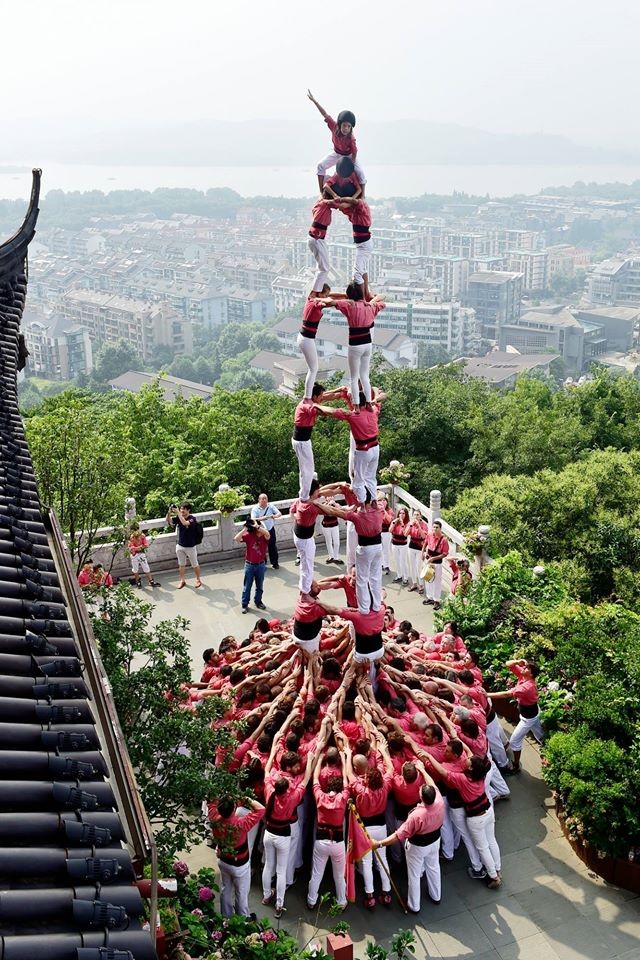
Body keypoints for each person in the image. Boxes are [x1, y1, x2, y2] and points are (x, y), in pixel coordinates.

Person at [373, 779, 445, 912]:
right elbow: (433, 784)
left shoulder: (416, 815)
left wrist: (379, 843)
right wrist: (423, 770)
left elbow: (399, 835)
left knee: (414, 874)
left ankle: (414, 905)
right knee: (434, 867)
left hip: (418, 846)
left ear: (421, 797)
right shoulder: (440, 801)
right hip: (435, 840)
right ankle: (436, 896)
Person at [262, 752, 314, 918]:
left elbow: (267, 770)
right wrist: (312, 761)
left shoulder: (270, 790)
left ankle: (266, 895)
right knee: (281, 870)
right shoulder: (292, 797)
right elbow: (305, 781)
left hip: (269, 833)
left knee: (268, 865)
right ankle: (279, 903)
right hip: (283, 835)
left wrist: (272, 755)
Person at [315, 389, 387, 503]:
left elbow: (332, 411)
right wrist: (375, 397)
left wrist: (316, 405)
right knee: (371, 477)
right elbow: (383, 397)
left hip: (364, 450)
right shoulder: (373, 410)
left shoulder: (353, 415)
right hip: (375, 447)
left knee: (358, 481)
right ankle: (373, 501)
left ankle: (362, 504)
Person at [321, 491, 383, 614]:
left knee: (362, 579)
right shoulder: (378, 510)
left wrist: (318, 505)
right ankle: (376, 605)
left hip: (365, 548)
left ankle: (364, 608)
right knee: (375, 578)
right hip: (378, 547)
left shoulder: (357, 516)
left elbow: (334, 512)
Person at [323, 288, 385, 407]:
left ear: (349, 296)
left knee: (353, 377)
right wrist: (373, 300)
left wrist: (316, 298)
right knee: (364, 376)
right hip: (367, 344)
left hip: (355, 344)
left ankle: (356, 406)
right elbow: (383, 298)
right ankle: (368, 403)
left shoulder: (349, 305)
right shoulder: (370, 307)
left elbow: (330, 302)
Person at [208, 796, 265, 917]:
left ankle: (226, 916)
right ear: (234, 808)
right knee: (241, 893)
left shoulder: (214, 818)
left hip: (223, 861)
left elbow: (211, 801)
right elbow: (260, 809)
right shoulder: (241, 823)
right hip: (240, 865)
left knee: (225, 889)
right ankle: (243, 920)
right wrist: (245, 798)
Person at [307, 753, 349, 911]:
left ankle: (311, 900)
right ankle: (341, 901)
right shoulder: (344, 797)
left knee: (317, 873)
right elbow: (346, 780)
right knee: (339, 875)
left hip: (321, 841)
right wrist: (344, 761)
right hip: (338, 843)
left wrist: (318, 759)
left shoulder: (319, 796)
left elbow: (316, 778)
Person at [489, 659, 544, 773]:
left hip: (528, 718)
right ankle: (547, 747)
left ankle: (515, 765)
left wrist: (486, 694)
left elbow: (506, 694)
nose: (524, 668)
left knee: (514, 741)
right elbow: (508, 664)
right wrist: (518, 661)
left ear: (531, 674)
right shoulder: (523, 676)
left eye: (527, 668)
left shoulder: (527, 687)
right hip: (532, 711)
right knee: (540, 735)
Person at [307, 90, 366, 193]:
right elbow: (325, 114)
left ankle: (363, 195)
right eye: (344, 125)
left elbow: (355, 152)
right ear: (339, 125)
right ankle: (322, 192)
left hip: (348, 156)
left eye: (348, 126)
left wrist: (351, 164)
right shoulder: (334, 127)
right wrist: (315, 102)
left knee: (360, 173)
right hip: (336, 153)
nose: (346, 128)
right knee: (320, 165)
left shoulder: (351, 138)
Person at [234, 517, 270, 614]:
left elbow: (267, 533)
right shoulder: (249, 535)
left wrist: (257, 526)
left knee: (260, 586)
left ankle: (258, 602)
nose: (260, 529)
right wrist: (244, 529)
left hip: (260, 565)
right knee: (247, 586)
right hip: (249, 565)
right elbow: (236, 539)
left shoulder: (264, 536)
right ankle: (244, 604)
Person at [166, 502, 202, 589]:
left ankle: (198, 579)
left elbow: (185, 523)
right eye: (181, 509)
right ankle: (182, 580)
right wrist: (169, 511)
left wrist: (178, 513)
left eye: (183, 509)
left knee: (194, 564)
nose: (182, 511)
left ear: (188, 510)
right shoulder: (179, 517)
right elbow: (168, 520)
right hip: (180, 545)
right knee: (181, 565)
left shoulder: (192, 519)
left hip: (190, 546)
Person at [422, 520, 450, 609]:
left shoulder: (444, 540)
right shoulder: (429, 535)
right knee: (427, 579)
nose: (435, 529)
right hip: (428, 560)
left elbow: (445, 553)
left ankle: (436, 600)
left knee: (437, 581)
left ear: (440, 528)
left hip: (437, 562)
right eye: (434, 527)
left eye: (437, 527)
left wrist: (434, 558)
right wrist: (422, 553)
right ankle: (429, 597)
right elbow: (425, 543)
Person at [251, 493, 282, 570]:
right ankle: (262, 564)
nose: (264, 500)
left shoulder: (270, 506)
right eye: (262, 499)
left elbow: (279, 513)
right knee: (261, 548)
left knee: (272, 546)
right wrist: (262, 518)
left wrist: (273, 516)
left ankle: (275, 563)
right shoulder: (255, 508)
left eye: (265, 498)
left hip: (270, 529)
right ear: (259, 500)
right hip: (261, 531)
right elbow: (253, 519)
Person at [127, 521, 158, 588]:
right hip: (134, 555)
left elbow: (146, 545)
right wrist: (140, 547)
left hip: (141, 554)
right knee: (135, 569)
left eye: (136, 529)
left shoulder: (142, 535)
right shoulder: (131, 537)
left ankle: (151, 581)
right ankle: (138, 581)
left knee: (146, 567)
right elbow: (131, 548)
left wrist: (137, 548)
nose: (136, 531)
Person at [406, 510, 428, 594]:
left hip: (420, 547)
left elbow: (423, 536)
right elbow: (405, 534)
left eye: (417, 514)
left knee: (419, 566)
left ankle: (421, 585)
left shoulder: (424, 525)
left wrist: (418, 526)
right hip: (411, 546)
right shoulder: (410, 523)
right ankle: (414, 583)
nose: (415, 516)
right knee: (412, 565)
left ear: (420, 516)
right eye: (414, 514)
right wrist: (410, 526)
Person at [390, 507, 410, 585]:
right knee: (397, 560)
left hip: (403, 545)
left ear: (406, 515)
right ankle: (399, 575)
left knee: (403, 561)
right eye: (400, 513)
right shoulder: (395, 522)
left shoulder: (408, 523)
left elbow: (405, 533)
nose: (401, 515)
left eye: (403, 513)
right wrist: (394, 522)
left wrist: (402, 523)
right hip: (394, 544)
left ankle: (406, 577)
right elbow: (390, 530)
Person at [378, 493, 394, 575]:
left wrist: (384, 510)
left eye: (384, 500)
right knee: (379, 549)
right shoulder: (376, 510)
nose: (382, 502)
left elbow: (389, 520)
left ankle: (386, 565)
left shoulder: (389, 510)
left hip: (387, 532)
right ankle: (380, 564)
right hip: (378, 532)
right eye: (380, 500)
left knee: (386, 550)